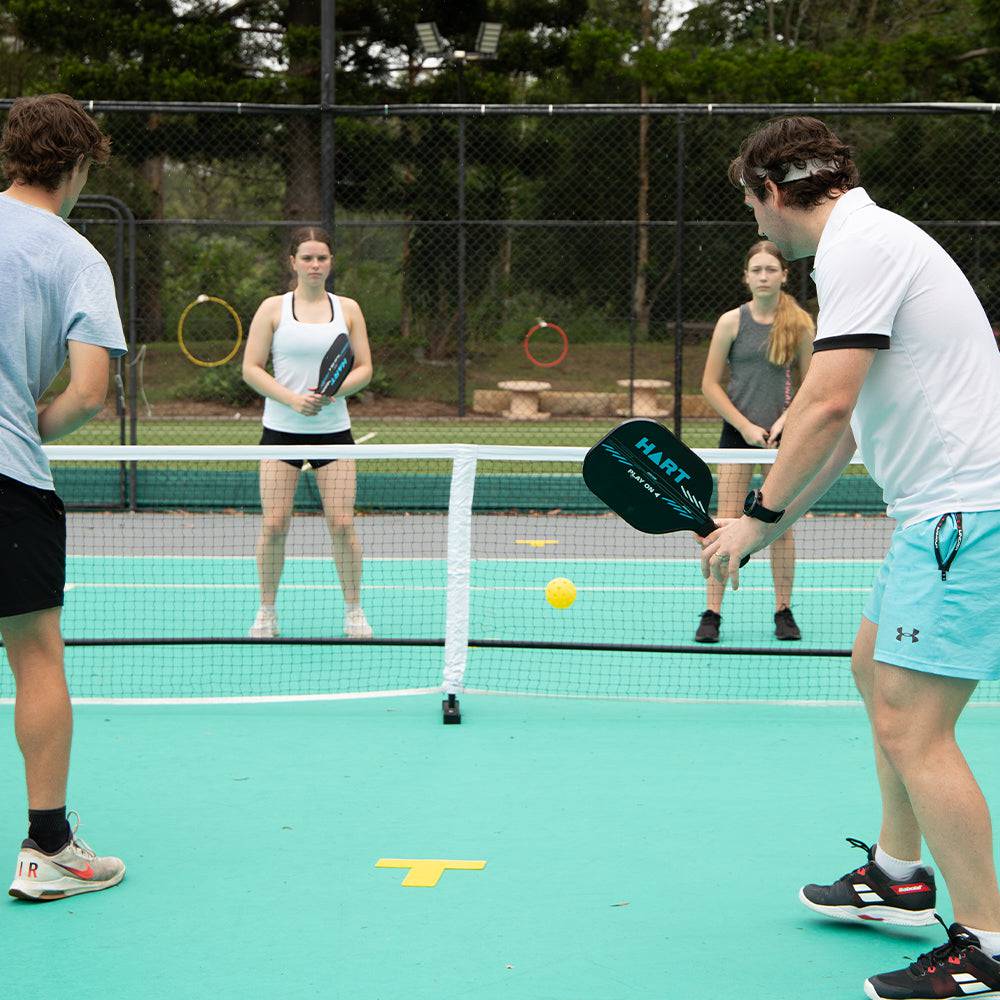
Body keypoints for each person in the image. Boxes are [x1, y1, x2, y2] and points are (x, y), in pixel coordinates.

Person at [703, 115, 1000, 1000]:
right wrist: (770, 517)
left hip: (964, 514)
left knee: (917, 727)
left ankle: (987, 944)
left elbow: (826, 410)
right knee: (876, 673)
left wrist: (757, 516)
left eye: (752, 206)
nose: (757, 229)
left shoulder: (858, 248)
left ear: (771, 191)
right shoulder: (870, 241)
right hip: (935, 514)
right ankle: (899, 878)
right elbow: (835, 430)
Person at [1, 94, 127, 900]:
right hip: (8, 478)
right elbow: (90, 392)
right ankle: (48, 849)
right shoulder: (77, 254)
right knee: (35, 652)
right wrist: (25, 428)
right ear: (78, 165)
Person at [243, 227, 374, 641]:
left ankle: (354, 611)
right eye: (307, 258)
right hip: (281, 431)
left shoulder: (348, 309)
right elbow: (251, 368)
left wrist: (334, 390)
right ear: (293, 262)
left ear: (331, 262)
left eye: (322, 258)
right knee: (275, 523)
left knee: (340, 523)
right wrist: (292, 400)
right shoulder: (272, 309)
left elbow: (365, 368)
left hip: (334, 432)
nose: (315, 265)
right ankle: (266, 612)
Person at [696, 240, 814, 644]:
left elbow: (811, 384)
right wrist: (746, 427)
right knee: (722, 522)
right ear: (746, 277)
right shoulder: (730, 322)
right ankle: (712, 612)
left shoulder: (799, 324)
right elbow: (710, 385)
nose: (763, 276)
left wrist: (783, 421)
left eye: (771, 269)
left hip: (783, 435)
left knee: (778, 522)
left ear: (784, 275)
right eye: (756, 270)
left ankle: (783, 610)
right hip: (737, 434)